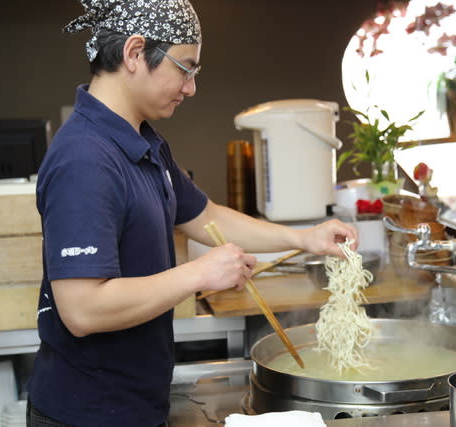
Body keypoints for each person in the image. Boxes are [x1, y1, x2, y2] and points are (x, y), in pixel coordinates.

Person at [26, 1, 358, 426]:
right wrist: (199, 274)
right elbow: (82, 310)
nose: (190, 88)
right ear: (134, 53)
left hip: (136, 405)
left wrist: (305, 238)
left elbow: (206, 216)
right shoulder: (85, 158)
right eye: (185, 68)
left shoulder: (144, 140)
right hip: (86, 414)